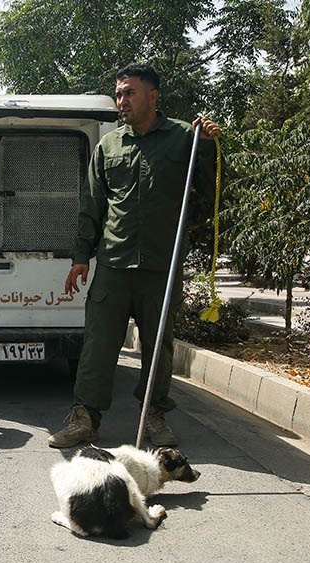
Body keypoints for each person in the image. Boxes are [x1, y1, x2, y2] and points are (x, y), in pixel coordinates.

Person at [48, 63, 222, 449]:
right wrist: (81, 256)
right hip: (113, 263)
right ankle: (84, 418)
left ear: (153, 96)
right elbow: (91, 205)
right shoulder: (109, 146)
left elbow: (210, 196)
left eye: (129, 93)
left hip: (162, 263)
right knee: (97, 344)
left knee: (158, 346)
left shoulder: (185, 139)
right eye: (119, 93)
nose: (121, 100)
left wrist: (209, 146)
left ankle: (154, 416)